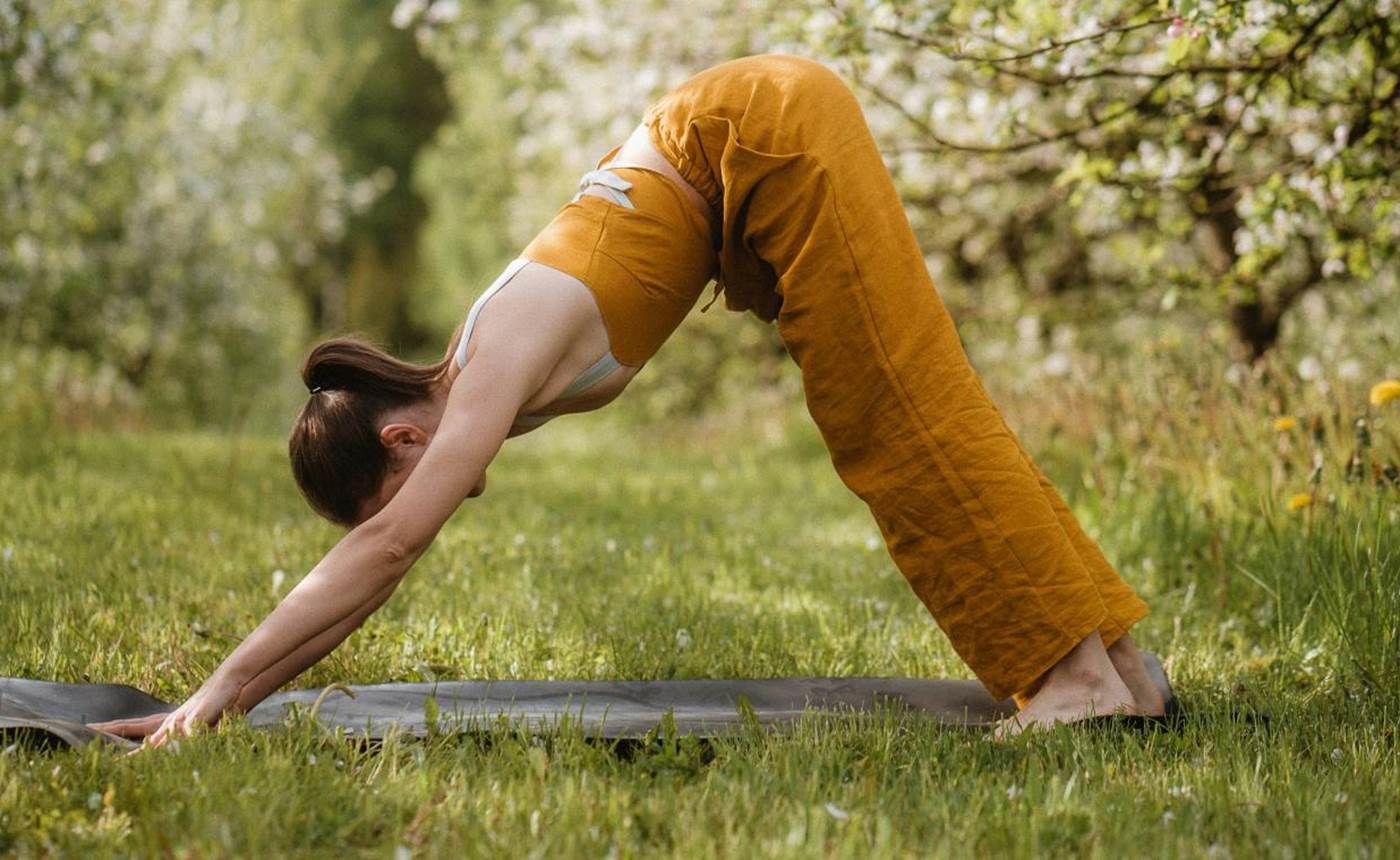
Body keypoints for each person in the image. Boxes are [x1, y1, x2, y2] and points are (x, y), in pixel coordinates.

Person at [91, 53, 1163, 746]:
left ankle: (1069, 676)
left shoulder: (486, 367)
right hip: (755, 142)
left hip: (766, 134)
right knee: (908, 398)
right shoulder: (474, 368)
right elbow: (380, 550)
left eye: (394, 493)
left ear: (403, 437)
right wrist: (219, 704)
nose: (427, 507)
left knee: (895, 411)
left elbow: (384, 552)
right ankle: (1109, 664)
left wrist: (212, 696)